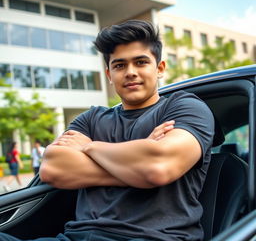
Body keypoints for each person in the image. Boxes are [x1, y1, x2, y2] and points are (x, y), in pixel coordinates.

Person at [0, 20, 215, 241]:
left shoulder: (185, 107)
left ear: (159, 68)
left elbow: (157, 166)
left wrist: (88, 147)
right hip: (75, 237)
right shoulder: (91, 118)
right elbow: (53, 168)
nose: (130, 72)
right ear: (109, 74)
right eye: (120, 65)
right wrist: (137, 168)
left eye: (141, 62)